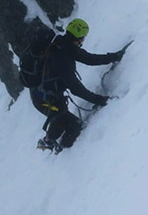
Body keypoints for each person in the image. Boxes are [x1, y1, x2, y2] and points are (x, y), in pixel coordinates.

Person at [25, 19, 126, 151]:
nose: (83, 41)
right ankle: (64, 150)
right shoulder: (64, 58)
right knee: (73, 125)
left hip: (45, 94)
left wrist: (114, 56)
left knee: (61, 117)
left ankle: (48, 141)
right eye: (83, 38)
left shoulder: (63, 44)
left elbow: (89, 59)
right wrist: (100, 100)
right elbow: (76, 89)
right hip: (44, 99)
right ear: (79, 38)